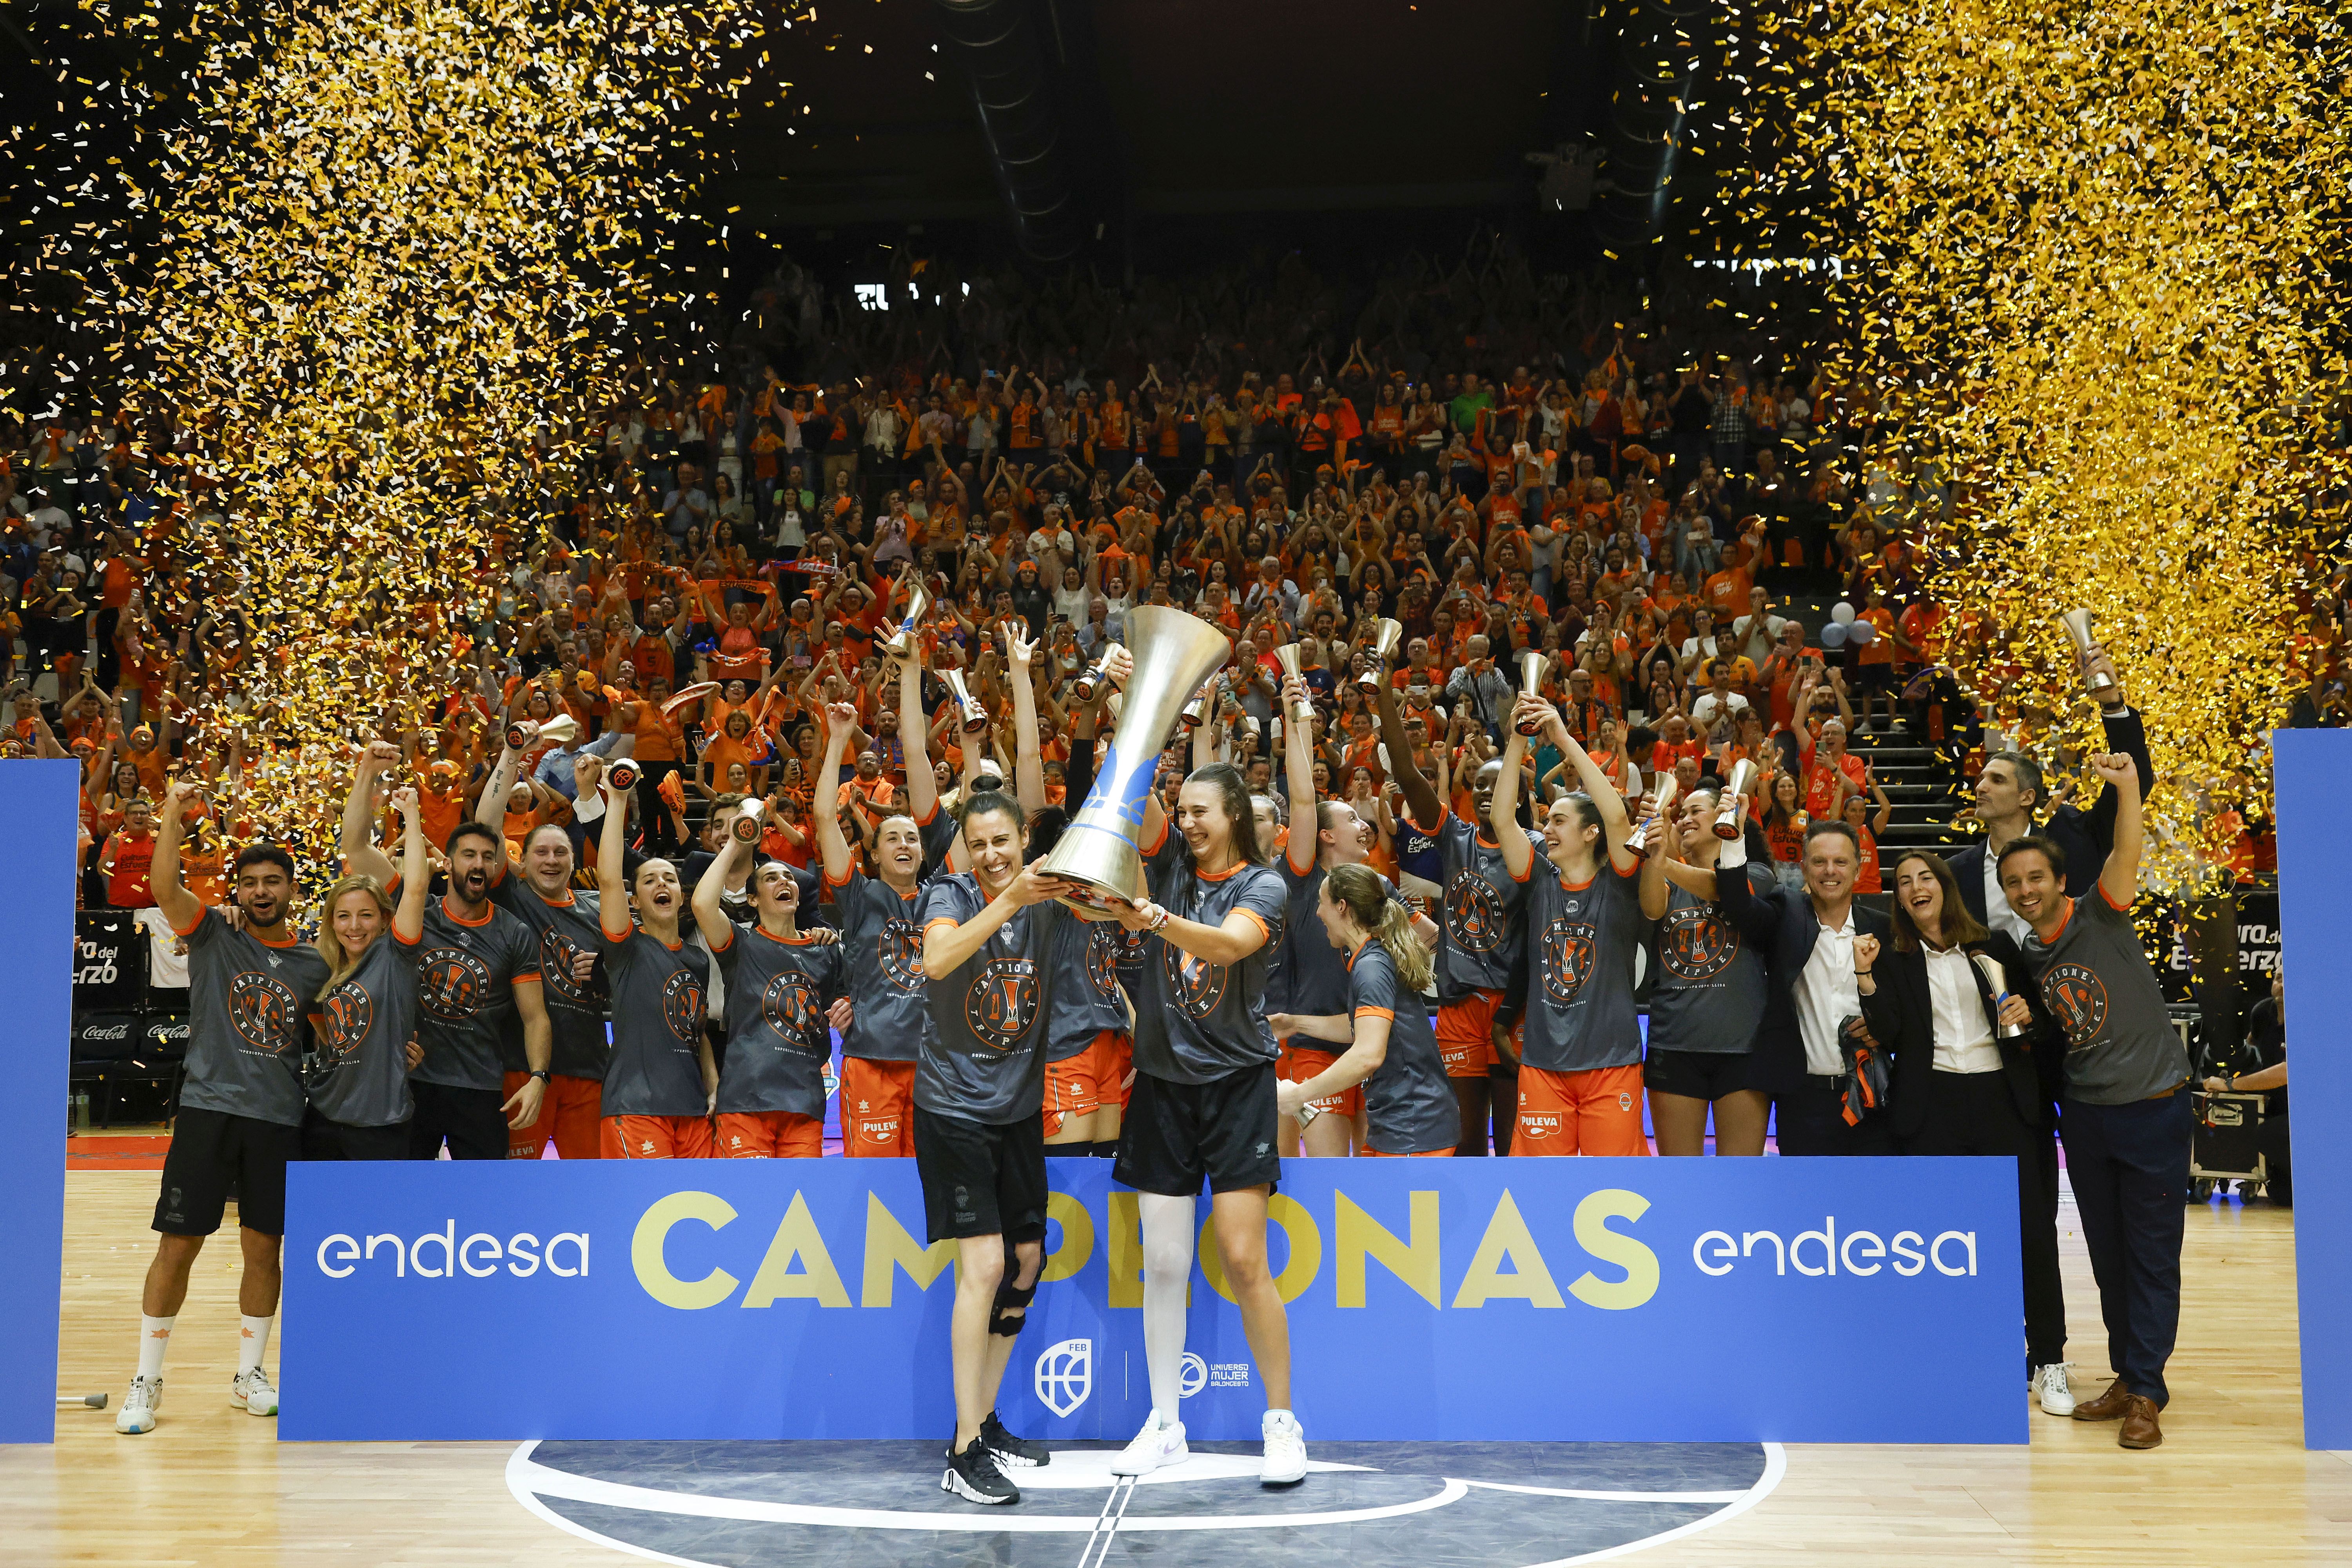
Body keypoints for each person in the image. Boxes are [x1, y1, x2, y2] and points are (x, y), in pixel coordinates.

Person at [1104, 762, 1307, 1485]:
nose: (1187, 823)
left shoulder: (1264, 885)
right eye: (1181, 812)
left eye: (1201, 812)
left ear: (1234, 817)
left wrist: (1153, 918)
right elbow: (1136, 801)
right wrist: (1133, 702)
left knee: (1244, 1259)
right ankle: (1164, 1426)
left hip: (1236, 1086)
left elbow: (1229, 946)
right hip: (1162, 1086)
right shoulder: (1167, 863)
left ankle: (1281, 1423)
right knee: (1162, 1264)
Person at [118, 784, 330, 1434]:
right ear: (235, 890)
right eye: (251, 883)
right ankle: (146, 1379)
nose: (262, 892)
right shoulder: (211, 932)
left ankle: (250, 1374)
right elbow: (161, 885)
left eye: (274, 882)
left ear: (292, 889)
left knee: (265, 1251)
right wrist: (174, 811)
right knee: (178, 1246)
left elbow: (337, 1032)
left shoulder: (314, 963)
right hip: (208, 1111)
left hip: (277, 1119)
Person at [2000, 754, 2189, 1450]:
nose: (2025, 890)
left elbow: (2127, 846)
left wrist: (2129, 786)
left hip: (2152, 1106)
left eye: (2035, 878)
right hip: (2085, 1117)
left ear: (2058, 881)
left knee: (2150, 1256)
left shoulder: (2101, 914)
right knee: (2108, 1259)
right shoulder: (2027, 952)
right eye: (2013, 882)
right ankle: (2130, 1375)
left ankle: (2147, 1390)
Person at [1856, 851, 2072, 1416]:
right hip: (1934, 1105)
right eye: (1903, 883)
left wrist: (2027, 1013)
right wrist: (1865, 978)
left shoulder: (1997, 945)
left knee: (2031, 1235)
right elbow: (1889, 1031)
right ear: (1898, 900)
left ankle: (2050, 1362)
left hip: (2004, 1099)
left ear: (1946, 886)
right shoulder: (1896, 959)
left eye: (1925, 877)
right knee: (1943, 1240)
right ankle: (1961, 1357)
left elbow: (2041, 1028)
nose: (1915, 887)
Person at [916, 788, 1071, 1504]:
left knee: (1028, 1259)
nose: (990, 855)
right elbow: (940, 961)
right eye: (978, 844)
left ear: (1022, 839)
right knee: (981, 1263)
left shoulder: (1046, 893)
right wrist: (1013, 899)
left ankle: (984, 1417)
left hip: (1017, 1111)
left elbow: (1112, 900)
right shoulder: (949, 892)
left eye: (1001, 841)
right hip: (952, 1109)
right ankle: (961, 1450)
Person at [341, 743, 553, 1161]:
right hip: (411, 1083)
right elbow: (356, 846)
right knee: (403, 1203)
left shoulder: (514, 932)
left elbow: (535, 1016)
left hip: (480, 1088)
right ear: (449, 862)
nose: (479, 865)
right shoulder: (416, 909)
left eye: (489, 858)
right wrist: (367, 771)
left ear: (496, 868)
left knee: (484, 1212)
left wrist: (539, 1077)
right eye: (469, 855)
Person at [1490, 694, 1650, 1155]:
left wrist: (1561, 736)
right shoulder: (1541, 879)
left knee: (1614, 1187)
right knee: (1542, 1189)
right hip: (1543, 1064)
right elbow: (1504, 820)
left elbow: (1618, 814)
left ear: (1591, 832)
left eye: (1560, 820)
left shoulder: (1620, 880)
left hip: (1612, 1064)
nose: (1548, 827)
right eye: (1548, 820)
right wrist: (1519, 741)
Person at [1374, 677, 1524, 1154]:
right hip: (1459, 1009)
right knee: (1465, 1142)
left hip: (1513, 1008)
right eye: (1479, 784)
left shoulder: (1535, 853)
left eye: (1497, 785)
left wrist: (1507, 1018)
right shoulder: (1455, 837)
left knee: (1512, 1138)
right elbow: (1405, 768)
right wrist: (1382, 694)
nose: (1485, 792)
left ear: (1517, 796)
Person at [817, 651, 956, 1156]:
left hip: (934, 1063)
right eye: (891, 837)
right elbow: (826, 821)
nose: (904, 845)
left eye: (912, 839)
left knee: (929, 1180)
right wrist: (836, 744)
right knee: (872, 1180)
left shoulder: (947, 895)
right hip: (872, 1059)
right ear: (872, 853)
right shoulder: (860, 894)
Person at [1710, 797, 1896, 1154]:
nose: (1830, 871)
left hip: (1873, 1091)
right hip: (1802, 1099)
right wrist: (1733, 837)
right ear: (1804, 869)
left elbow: (1905, 1008)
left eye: (1841, 862)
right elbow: (1737, 904)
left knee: (1871, 1204)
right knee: (1806, 1206)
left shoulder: (1885, 930)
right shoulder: (1787, 914)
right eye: (1819, 862)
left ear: (1858, 870)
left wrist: (1885, 1029)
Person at [1946, 646, 2151, 936]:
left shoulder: (2076, 837)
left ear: (2027, 798)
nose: (1981, 787)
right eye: (1981, 779)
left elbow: (2135, 778)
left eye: (1997, 780)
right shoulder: (1957, 871)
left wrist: (2111, 703)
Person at [690, 800, 845, 1158]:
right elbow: (702, 905)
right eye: (771, 878)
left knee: (800, 1205)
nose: (783, 881)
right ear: (753, 899)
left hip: (804, 1102)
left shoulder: (825, 950)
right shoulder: (741, 945)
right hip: (747, 1099)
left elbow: (848, 1003)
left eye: (788, 876)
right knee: (752, 1203)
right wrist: (736, 841)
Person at [480, 744, 613, 1160]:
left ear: (574, 861)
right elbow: (486, 825)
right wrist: (510, 757)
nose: (551, 860)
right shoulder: (513, 896)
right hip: (522, 1066)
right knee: (515, 1190)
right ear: (524, 860)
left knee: (593, 1188)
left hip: (590, 1068)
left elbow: (627, 976)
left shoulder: (598, 908)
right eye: (541, 852)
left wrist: (605, 972)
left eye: (561, 853)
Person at [1269, 862, 1456, 1156]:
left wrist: (1299, 1095)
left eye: (1323, 903)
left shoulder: (1371, 966)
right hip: (1400, 1124)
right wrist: (1296, 1024)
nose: (1318, 913)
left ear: (1342, 907)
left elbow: (1368, 1054)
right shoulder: (1371, 957)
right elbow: (1363, 1026)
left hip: (1414, 1127)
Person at [1641, 784, 1774, 1155]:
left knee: (1740, 1179)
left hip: (1743, 1049)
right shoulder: (1664, 879)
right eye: (1680, 814)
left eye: (1695, 811)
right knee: (1681, 1181)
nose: (1684, 820)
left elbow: (1725, 889)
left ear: (1725, 817)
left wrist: (1664, 860)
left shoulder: (1760, 874)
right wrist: (1656, 854)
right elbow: (1652, 909)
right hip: (1675, 1045)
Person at [593, 766, 717, 1157]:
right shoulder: (626, 945)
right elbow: (610, 878)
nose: (662, 884)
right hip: (636, 1109)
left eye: (670, 878)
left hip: (694, 1110)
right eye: (649, 880)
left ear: (682, 896)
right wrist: (617, 800)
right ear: (635, 901)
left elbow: (698, 1033)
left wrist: (713, 1086)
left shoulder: (697, 959)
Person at [303, 785, 430, 1162]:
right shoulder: (322, 965)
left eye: (366, 915)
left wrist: (411, 813)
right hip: (323, 1112)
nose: (354, 926)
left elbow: (418, 887)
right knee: (321, 1221)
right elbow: (325, 1034)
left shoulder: (395, 955)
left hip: (381, 1120)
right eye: (343, 916)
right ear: (332, 922)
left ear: (385, 920)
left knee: (381, 1222)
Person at [2204, 967, 2288, 1204]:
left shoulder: (2308, 1019)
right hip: (2272, 1104)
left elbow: (2286, 1072)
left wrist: (2232, 1085)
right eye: (2279, 979)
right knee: (2283, 1197)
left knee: (2270, 1134)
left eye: (2290, 981)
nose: (2282, 986)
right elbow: (2248, 1049)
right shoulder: (2262, 1012)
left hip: (2304, 1110)